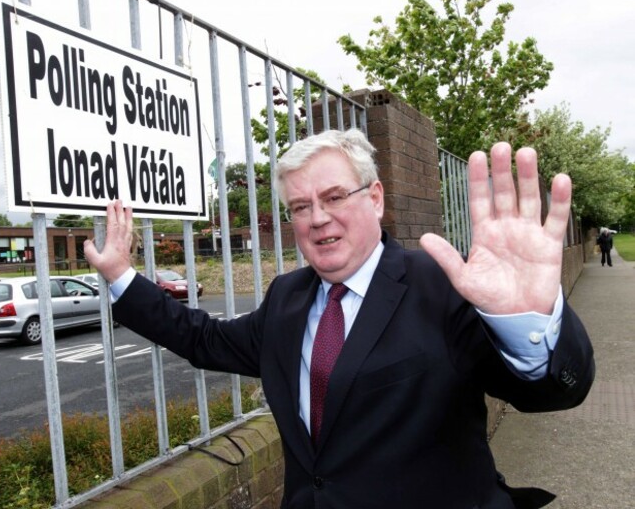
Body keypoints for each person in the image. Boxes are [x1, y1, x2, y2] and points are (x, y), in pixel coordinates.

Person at [84, 129, 594, 509]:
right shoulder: (287, 297)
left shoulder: (443, 284)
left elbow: (549, 393)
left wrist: (527, 319)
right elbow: (204, 339)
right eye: (300, 206)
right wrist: (122, 276)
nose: (317, 218)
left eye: (333, 198)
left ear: (375, 198)